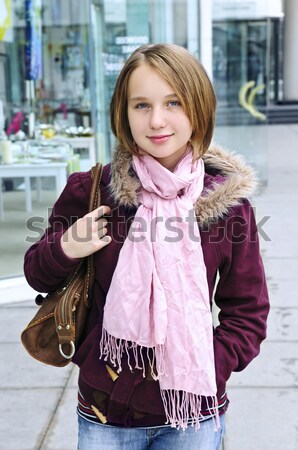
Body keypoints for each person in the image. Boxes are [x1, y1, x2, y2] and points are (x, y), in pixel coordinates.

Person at [24, 43, 270, 450]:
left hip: (195, 415)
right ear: (124, 112)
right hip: (106, 412)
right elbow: (36, 272)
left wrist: (209, 365)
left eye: (173, 102)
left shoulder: (228, 208)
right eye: (141, 105)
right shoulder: (91, 191)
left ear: (199, 107)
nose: (157, 120)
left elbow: (248, 311)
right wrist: (67, 246)